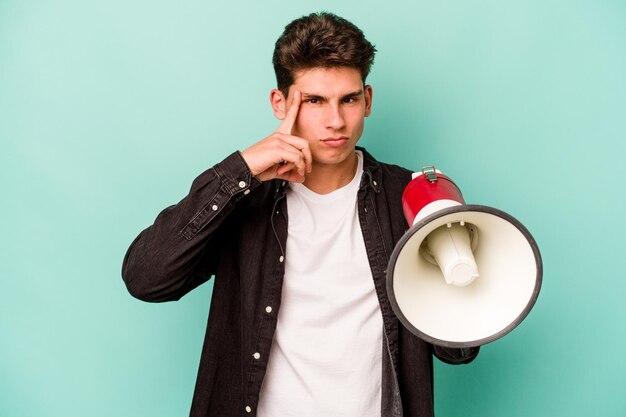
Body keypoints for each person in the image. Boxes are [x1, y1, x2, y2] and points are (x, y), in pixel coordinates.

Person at [122, 11, 479, 417]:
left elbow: (459, 352)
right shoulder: (244, 199)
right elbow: (146, 279)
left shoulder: (408, 196)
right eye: (314, 101)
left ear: (368, 100)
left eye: (349, 99)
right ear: (280, 103)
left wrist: (450, 252)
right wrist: (240, 170)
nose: (336, 121)